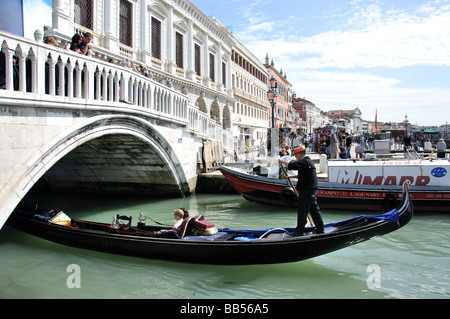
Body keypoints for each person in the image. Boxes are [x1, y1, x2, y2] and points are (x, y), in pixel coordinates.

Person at [279, 145, 325, 236]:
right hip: (311, 190)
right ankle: (320, 228)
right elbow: (303, 174)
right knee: (314, 210)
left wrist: (281, 161)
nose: (295, 156)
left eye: (296, 154)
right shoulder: (307, 163)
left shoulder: (305, 161)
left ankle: (299, 231)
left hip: (307, 190)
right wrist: (291, 176)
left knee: (302, 209)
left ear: (300, 154)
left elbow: (291, 165)